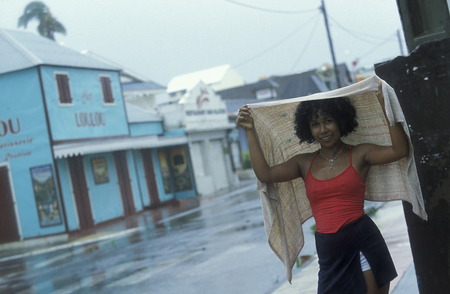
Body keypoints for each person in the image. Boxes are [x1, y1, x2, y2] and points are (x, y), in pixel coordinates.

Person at [236, 85, 409, 294]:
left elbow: (400, 150)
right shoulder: (303, 163)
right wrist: (249, 131)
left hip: (363, 241)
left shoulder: (361, 153)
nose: (323, 130)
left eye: (328, 121)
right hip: (329, 250)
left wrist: (385, 107)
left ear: (340, 120)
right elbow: (265, 175)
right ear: (308, 129)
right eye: (315, 124)